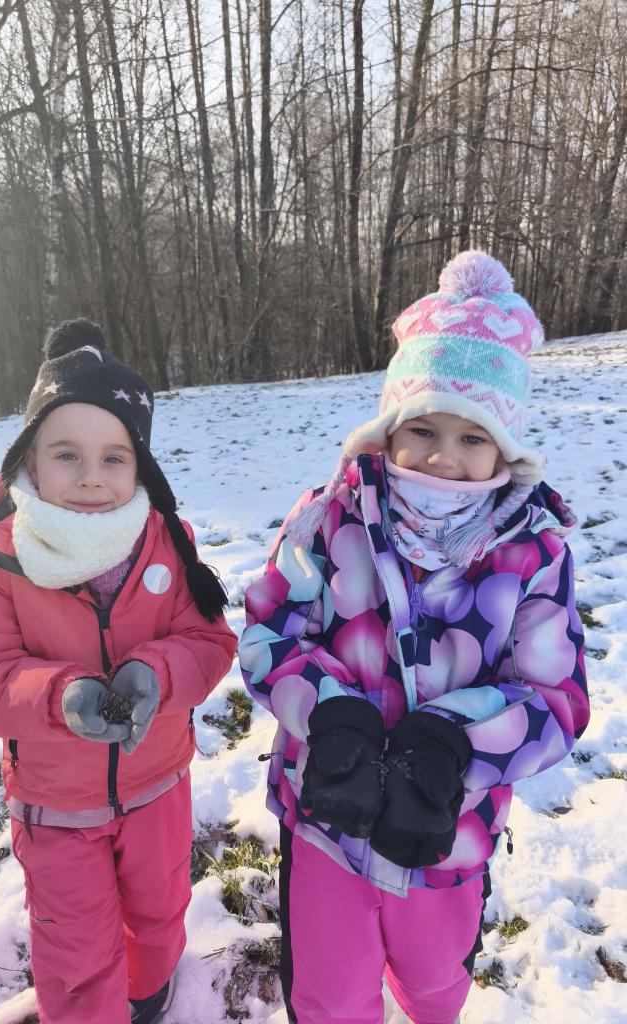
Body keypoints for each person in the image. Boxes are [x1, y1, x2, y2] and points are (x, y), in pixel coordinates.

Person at [239, 252, 590, 1024]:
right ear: (390, 428)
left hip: (450, 829)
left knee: (435, 984)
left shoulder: (532, 551)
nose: (443, 456)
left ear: (505, 447)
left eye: (473, 437)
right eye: (423, 429)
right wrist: (331, 714)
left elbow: (556, 697)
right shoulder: (329, 516)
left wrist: (454, 741)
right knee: (331, 994)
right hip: (327, 817)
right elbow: (269, 629)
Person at [0, 319, 237, 1024]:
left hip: (158, 784)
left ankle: (149, 991)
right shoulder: (1, 558)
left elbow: (208, 640)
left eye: (114, 457)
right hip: (56, 806)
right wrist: (60, 697)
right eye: (66, 454)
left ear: (140, 467)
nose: (90, 477)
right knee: (75, 947)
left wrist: (157, 674)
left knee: (159, 908)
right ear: (29, 459)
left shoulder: (167, 542)